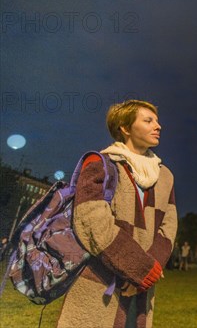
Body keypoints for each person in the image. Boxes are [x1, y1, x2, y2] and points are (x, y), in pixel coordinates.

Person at [57, 100, 177, 327]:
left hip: (142, 290)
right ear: (125, 127)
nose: (158, 126)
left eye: (158, 121)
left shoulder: (166, 176)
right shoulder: (100, 163)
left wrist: (146, 272)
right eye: (148, 120)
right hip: (99, 284)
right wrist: (139, 269)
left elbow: (169, 226)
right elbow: (91, 223)